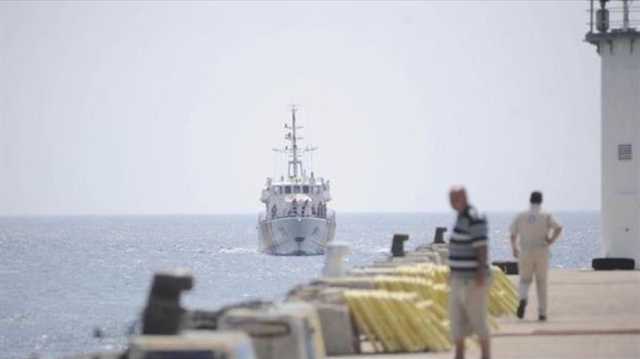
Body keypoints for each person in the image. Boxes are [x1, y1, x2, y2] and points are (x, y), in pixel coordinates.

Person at [448, 186, 491, 359]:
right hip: (458, 279)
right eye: (450, 198)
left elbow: (482, 247)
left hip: (472, 280)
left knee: (478, 321)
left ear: (464, 197)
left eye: (455, 198)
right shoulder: (460, 218)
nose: (452, 202)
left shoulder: (473, 217)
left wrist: (480, 272)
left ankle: (486, 356)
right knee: (456, 324)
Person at [510, 191, 562, 321]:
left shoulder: (521, 215)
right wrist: (551, 240)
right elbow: (559, 227)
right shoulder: (545, 215)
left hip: (525, 251)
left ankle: (522, 298)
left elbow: (512, 234)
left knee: (524, 280)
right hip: (541, 250)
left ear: (530, 200)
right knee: (541, 282)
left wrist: (514, 248)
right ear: (541, 201)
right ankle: (542, 312)